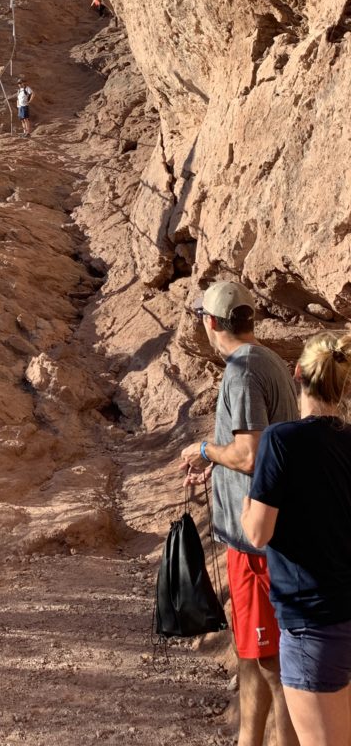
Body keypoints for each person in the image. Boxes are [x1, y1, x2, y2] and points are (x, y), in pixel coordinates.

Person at [179, 280, 299, 746]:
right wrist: (216, 469)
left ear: (210, 322)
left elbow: (250, 454)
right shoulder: (266, 360)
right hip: (260, 532)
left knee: (271, 660)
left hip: (256, 540)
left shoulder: (243, 372)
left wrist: (206, 450)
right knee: (251, 653)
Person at [242, 332, 351, 746]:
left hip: (311, 623)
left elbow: (257, 532)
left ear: (297, 373)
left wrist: (247, 500)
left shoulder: (282, 440)